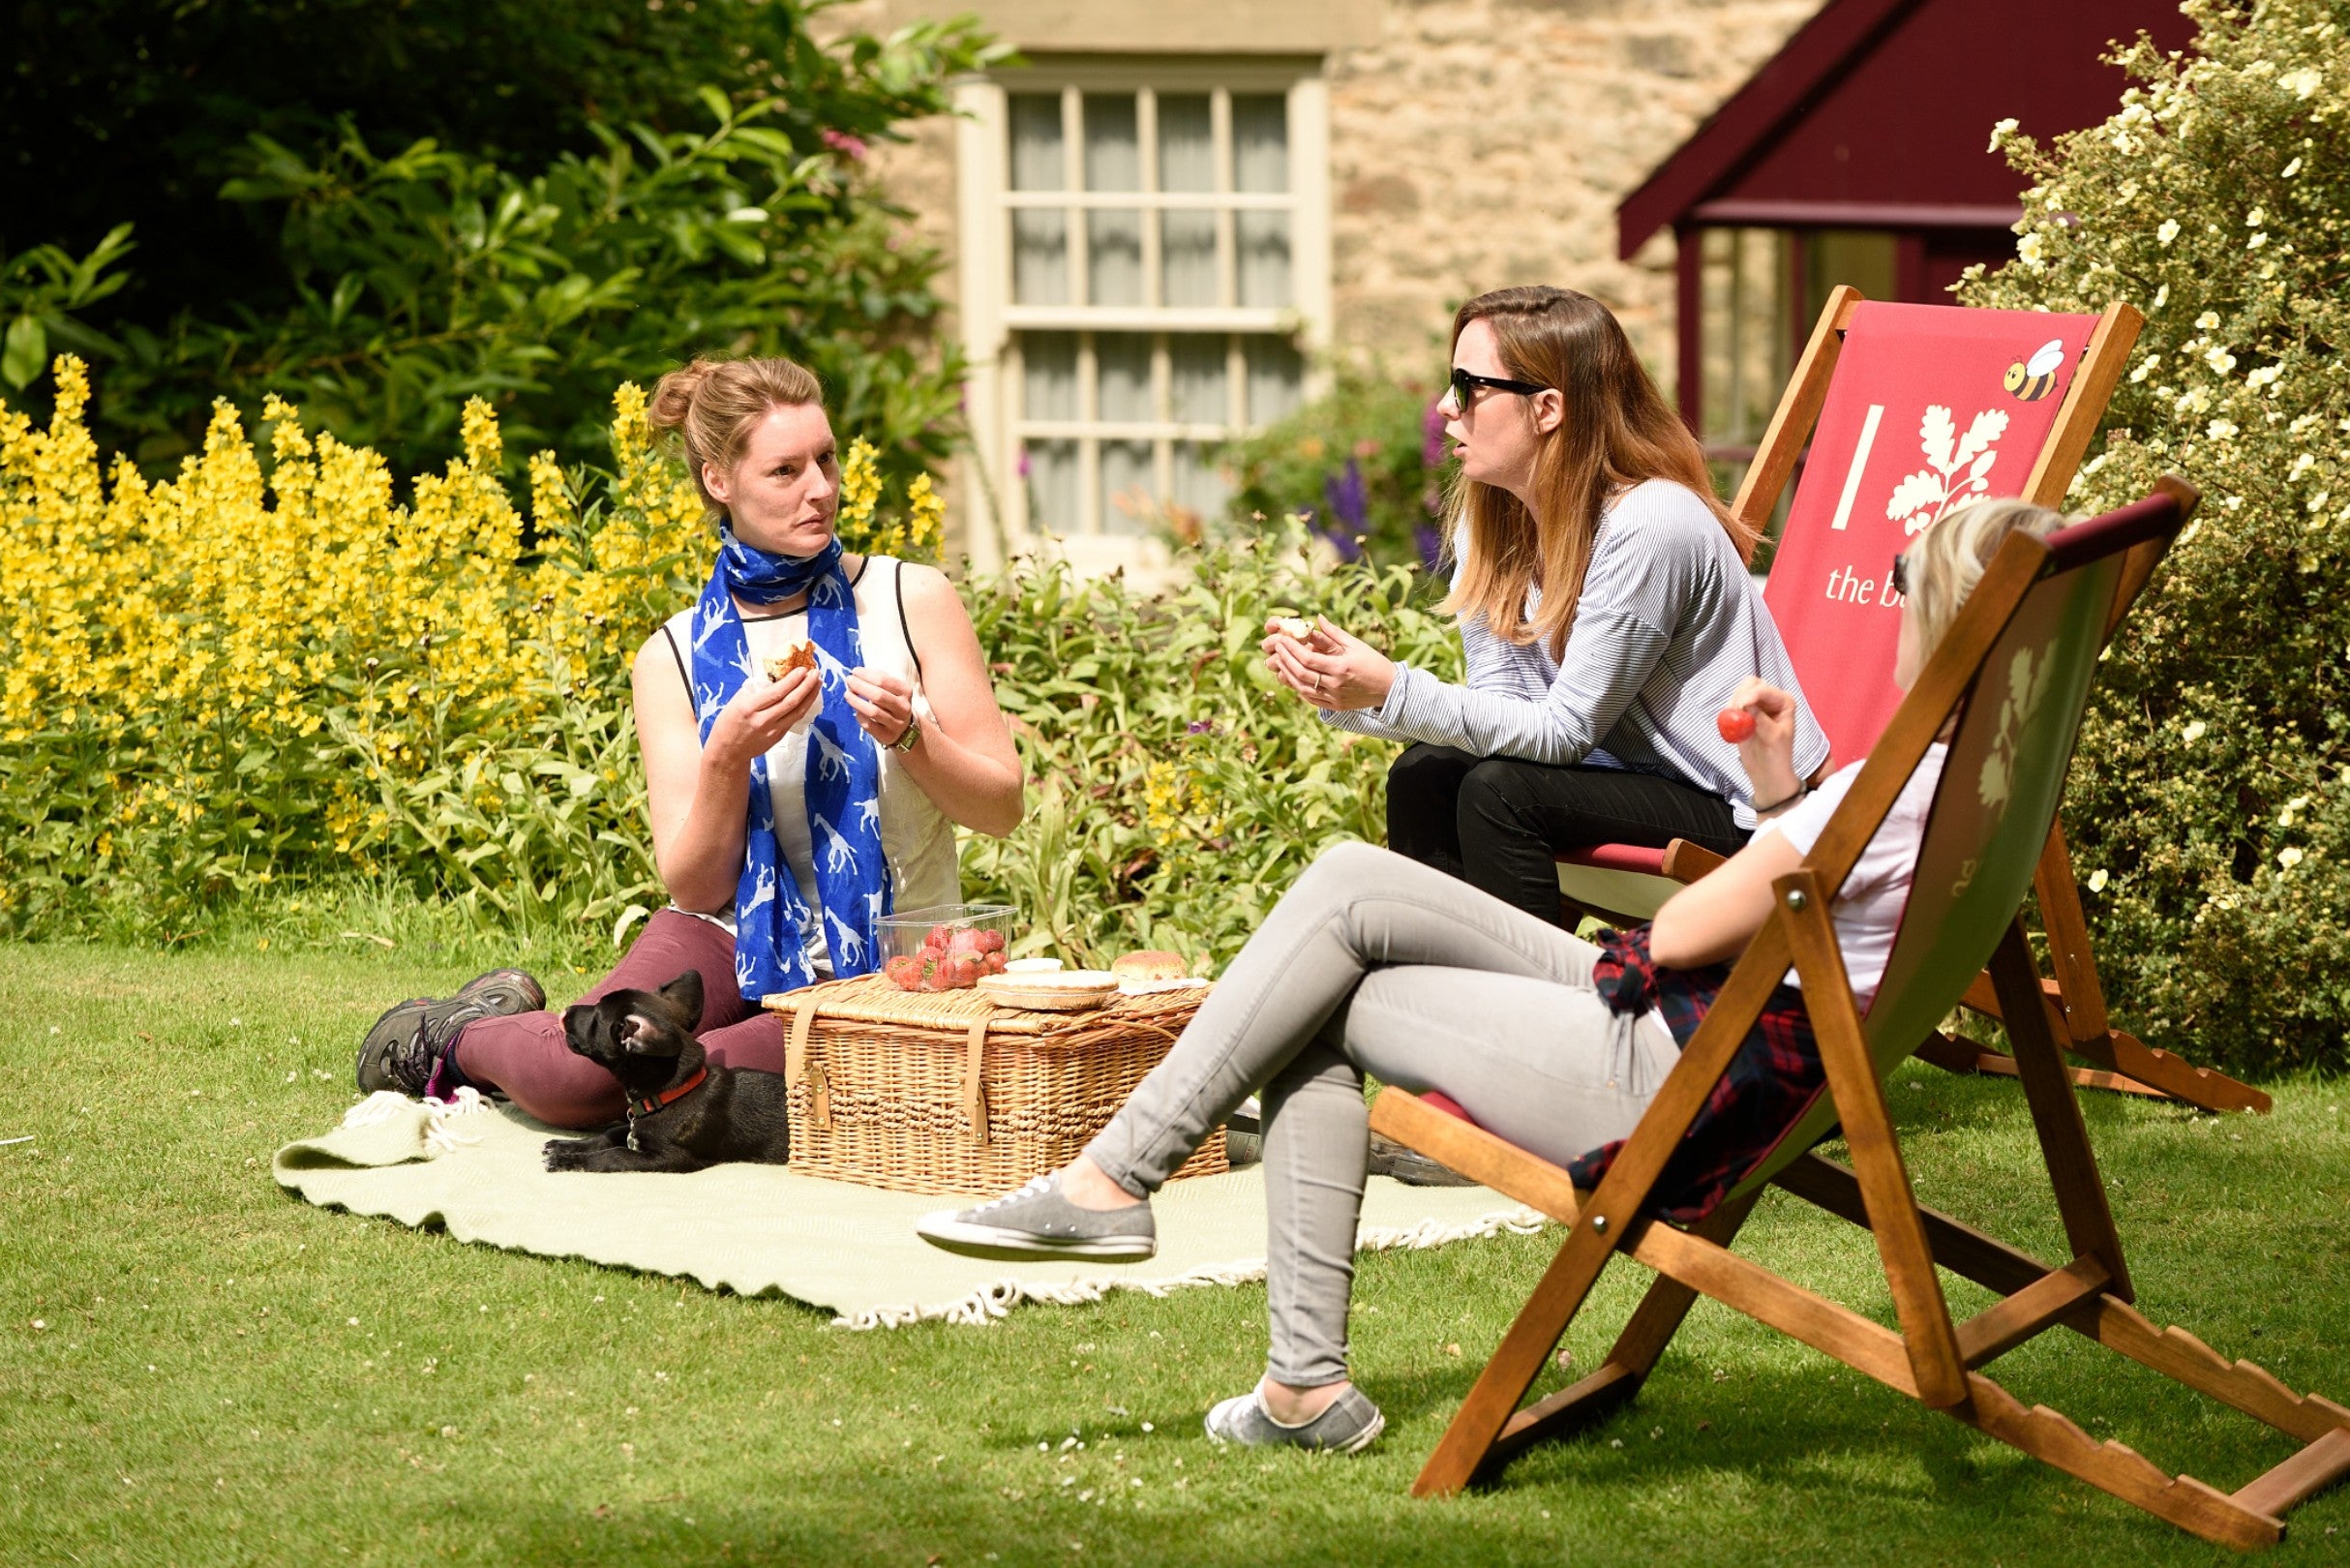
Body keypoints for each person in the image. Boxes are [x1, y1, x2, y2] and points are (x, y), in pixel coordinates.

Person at [919, 498, 2064, 1454]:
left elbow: (1683, 933)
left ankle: (1201, 1279)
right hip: (1708, 1031)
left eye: (1911, 576)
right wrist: (1775, 789)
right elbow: (1815, 916)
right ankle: (1154, 1229)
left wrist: (1781, 841)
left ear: (1952, 616)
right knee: (1351, 882)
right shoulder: (1978, 775)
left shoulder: (1900, 790)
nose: (1897, 591)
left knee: (1319, 1001)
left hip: (1672, 1065)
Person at [354, 356, 1025, 1123]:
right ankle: (460, 1028)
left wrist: (912, 737)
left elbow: (1002, 808)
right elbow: (696, 887)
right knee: (579, 1082)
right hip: (722, 931)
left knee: (674, 1092)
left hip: (888, 973)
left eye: (827, 459)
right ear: (719, 481)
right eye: (785, 470)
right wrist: (726, 756)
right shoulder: (673, 655)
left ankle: (751, 1035)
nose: (821, 488)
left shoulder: (911, 601)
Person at [1264, 285, 1830, 929]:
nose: (1446, 408)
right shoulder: (1493, 522)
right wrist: (1349, 691)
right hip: (1615, 780)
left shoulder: (1649, 525)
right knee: (1426, 773)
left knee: (1499, 792)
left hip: (1744, 809)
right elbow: (1504, 714)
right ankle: (1441, 996)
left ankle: (1529, 1012)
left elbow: (1563, 733)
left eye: (1469, 386)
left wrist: (1390, 687)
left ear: (1548, 409)